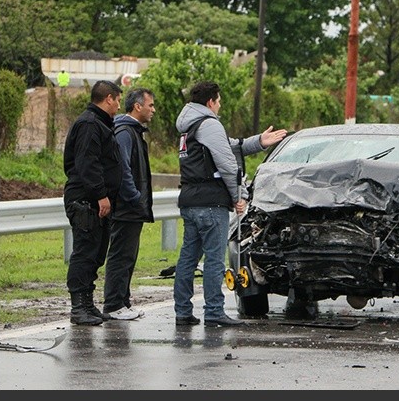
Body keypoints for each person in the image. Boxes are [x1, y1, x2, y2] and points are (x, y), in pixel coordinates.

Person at [174, 81, 287, 327]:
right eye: (219, 101)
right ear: (210, 102)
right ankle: (214, 312)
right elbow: (227, 164)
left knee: (187, 258)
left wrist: (259, 141)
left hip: (190, 199)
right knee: (214, 260)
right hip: (211, 203)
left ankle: (182, 311)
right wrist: (239, 195)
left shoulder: (189, 125)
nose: (220, 105)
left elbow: (231, 145)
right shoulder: (210, 124)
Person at [63, 80, 123, 326]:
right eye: (118, 100)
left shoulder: (99, 123)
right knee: (85, 252)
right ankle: (78, 307)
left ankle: (88, 304)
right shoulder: (89, 124)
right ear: (108, 98)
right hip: (86, 200)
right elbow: (88, 164)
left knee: (96, 252)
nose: (119, 105)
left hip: (96, 199)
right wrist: (100, 194)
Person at [103, 88, 157, 320]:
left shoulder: (134, 131)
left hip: (132, 206)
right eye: (151, 105)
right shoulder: (125, 131)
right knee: (120, 255)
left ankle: (123, 302)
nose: (153, 110)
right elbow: (123, 168)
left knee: (129, 255)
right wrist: (134, 196)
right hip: (126, 207)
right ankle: (114, 304)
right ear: (137, 106)